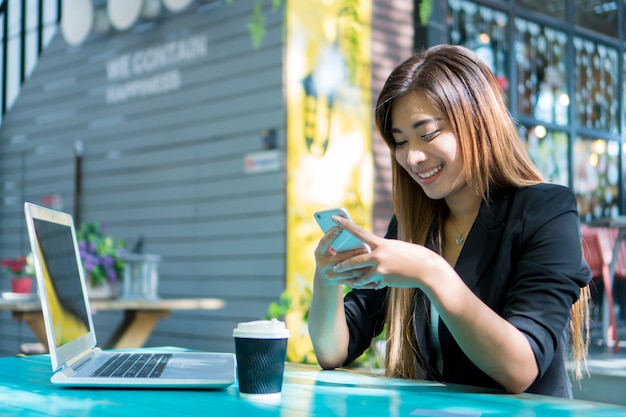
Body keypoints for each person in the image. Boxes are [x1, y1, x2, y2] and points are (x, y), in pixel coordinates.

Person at [308, 44, 591, 398]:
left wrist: (431, 271)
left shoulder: (546, 210)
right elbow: (333, 350)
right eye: (400, 142)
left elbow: (521, 368)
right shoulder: (413, 223)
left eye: (427, 134)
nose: (412, 157)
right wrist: (328, 277)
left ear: (477, 121)